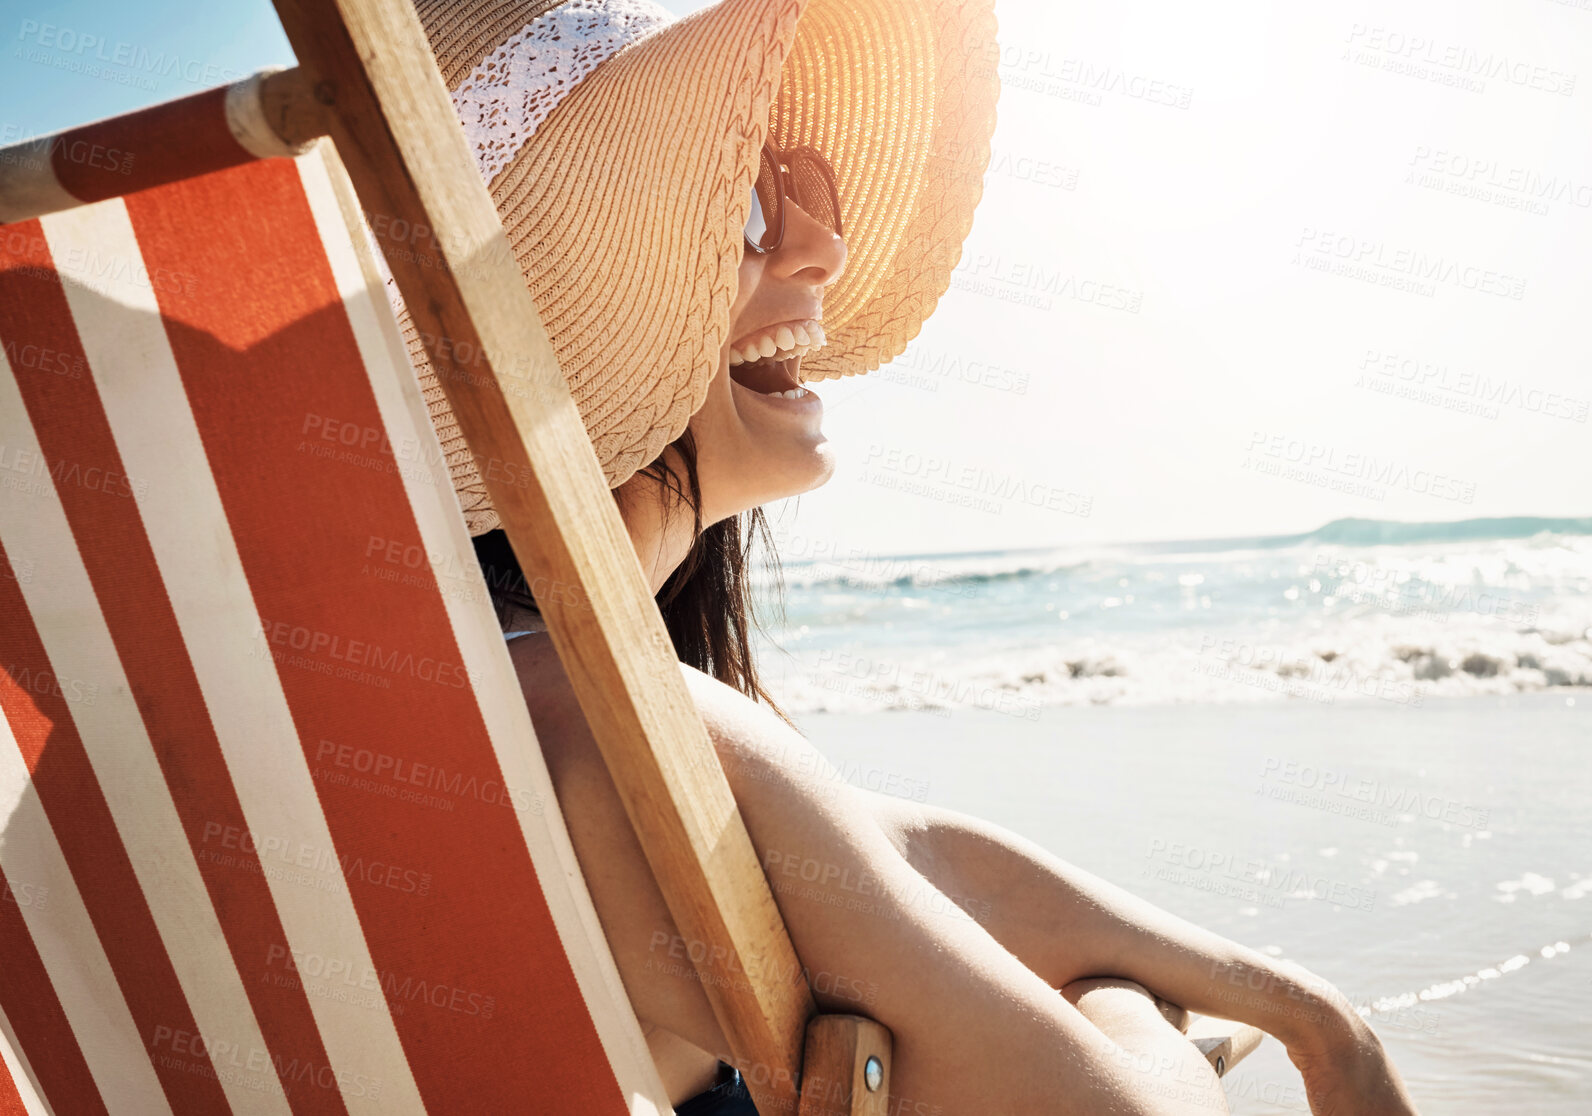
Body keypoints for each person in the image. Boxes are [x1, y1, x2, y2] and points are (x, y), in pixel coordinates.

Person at [399, 1, 1423, 1112]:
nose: (822, 250)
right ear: (568, 316)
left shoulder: (428, 695)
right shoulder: (614, 733)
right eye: (744, 206)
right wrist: (1124, 1008)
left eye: (806, 193)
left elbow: (905, 853)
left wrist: (1309, 1014)